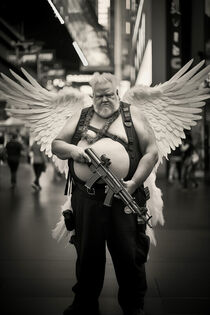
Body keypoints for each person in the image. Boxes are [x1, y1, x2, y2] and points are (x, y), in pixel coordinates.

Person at [51, 73, 159, 315]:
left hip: (125, 196)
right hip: (87, 200)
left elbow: (151, 152)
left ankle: (133, 305)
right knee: (88, 254)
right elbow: (56, 145)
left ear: (117, 93)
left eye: (109, 94)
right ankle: (84, 304)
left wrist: (134, 183)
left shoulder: (133, 116)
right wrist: (74, 151)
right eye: (99, 96)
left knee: (129, 254)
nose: (105, 99)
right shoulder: (81, 117)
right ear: (93, 96)